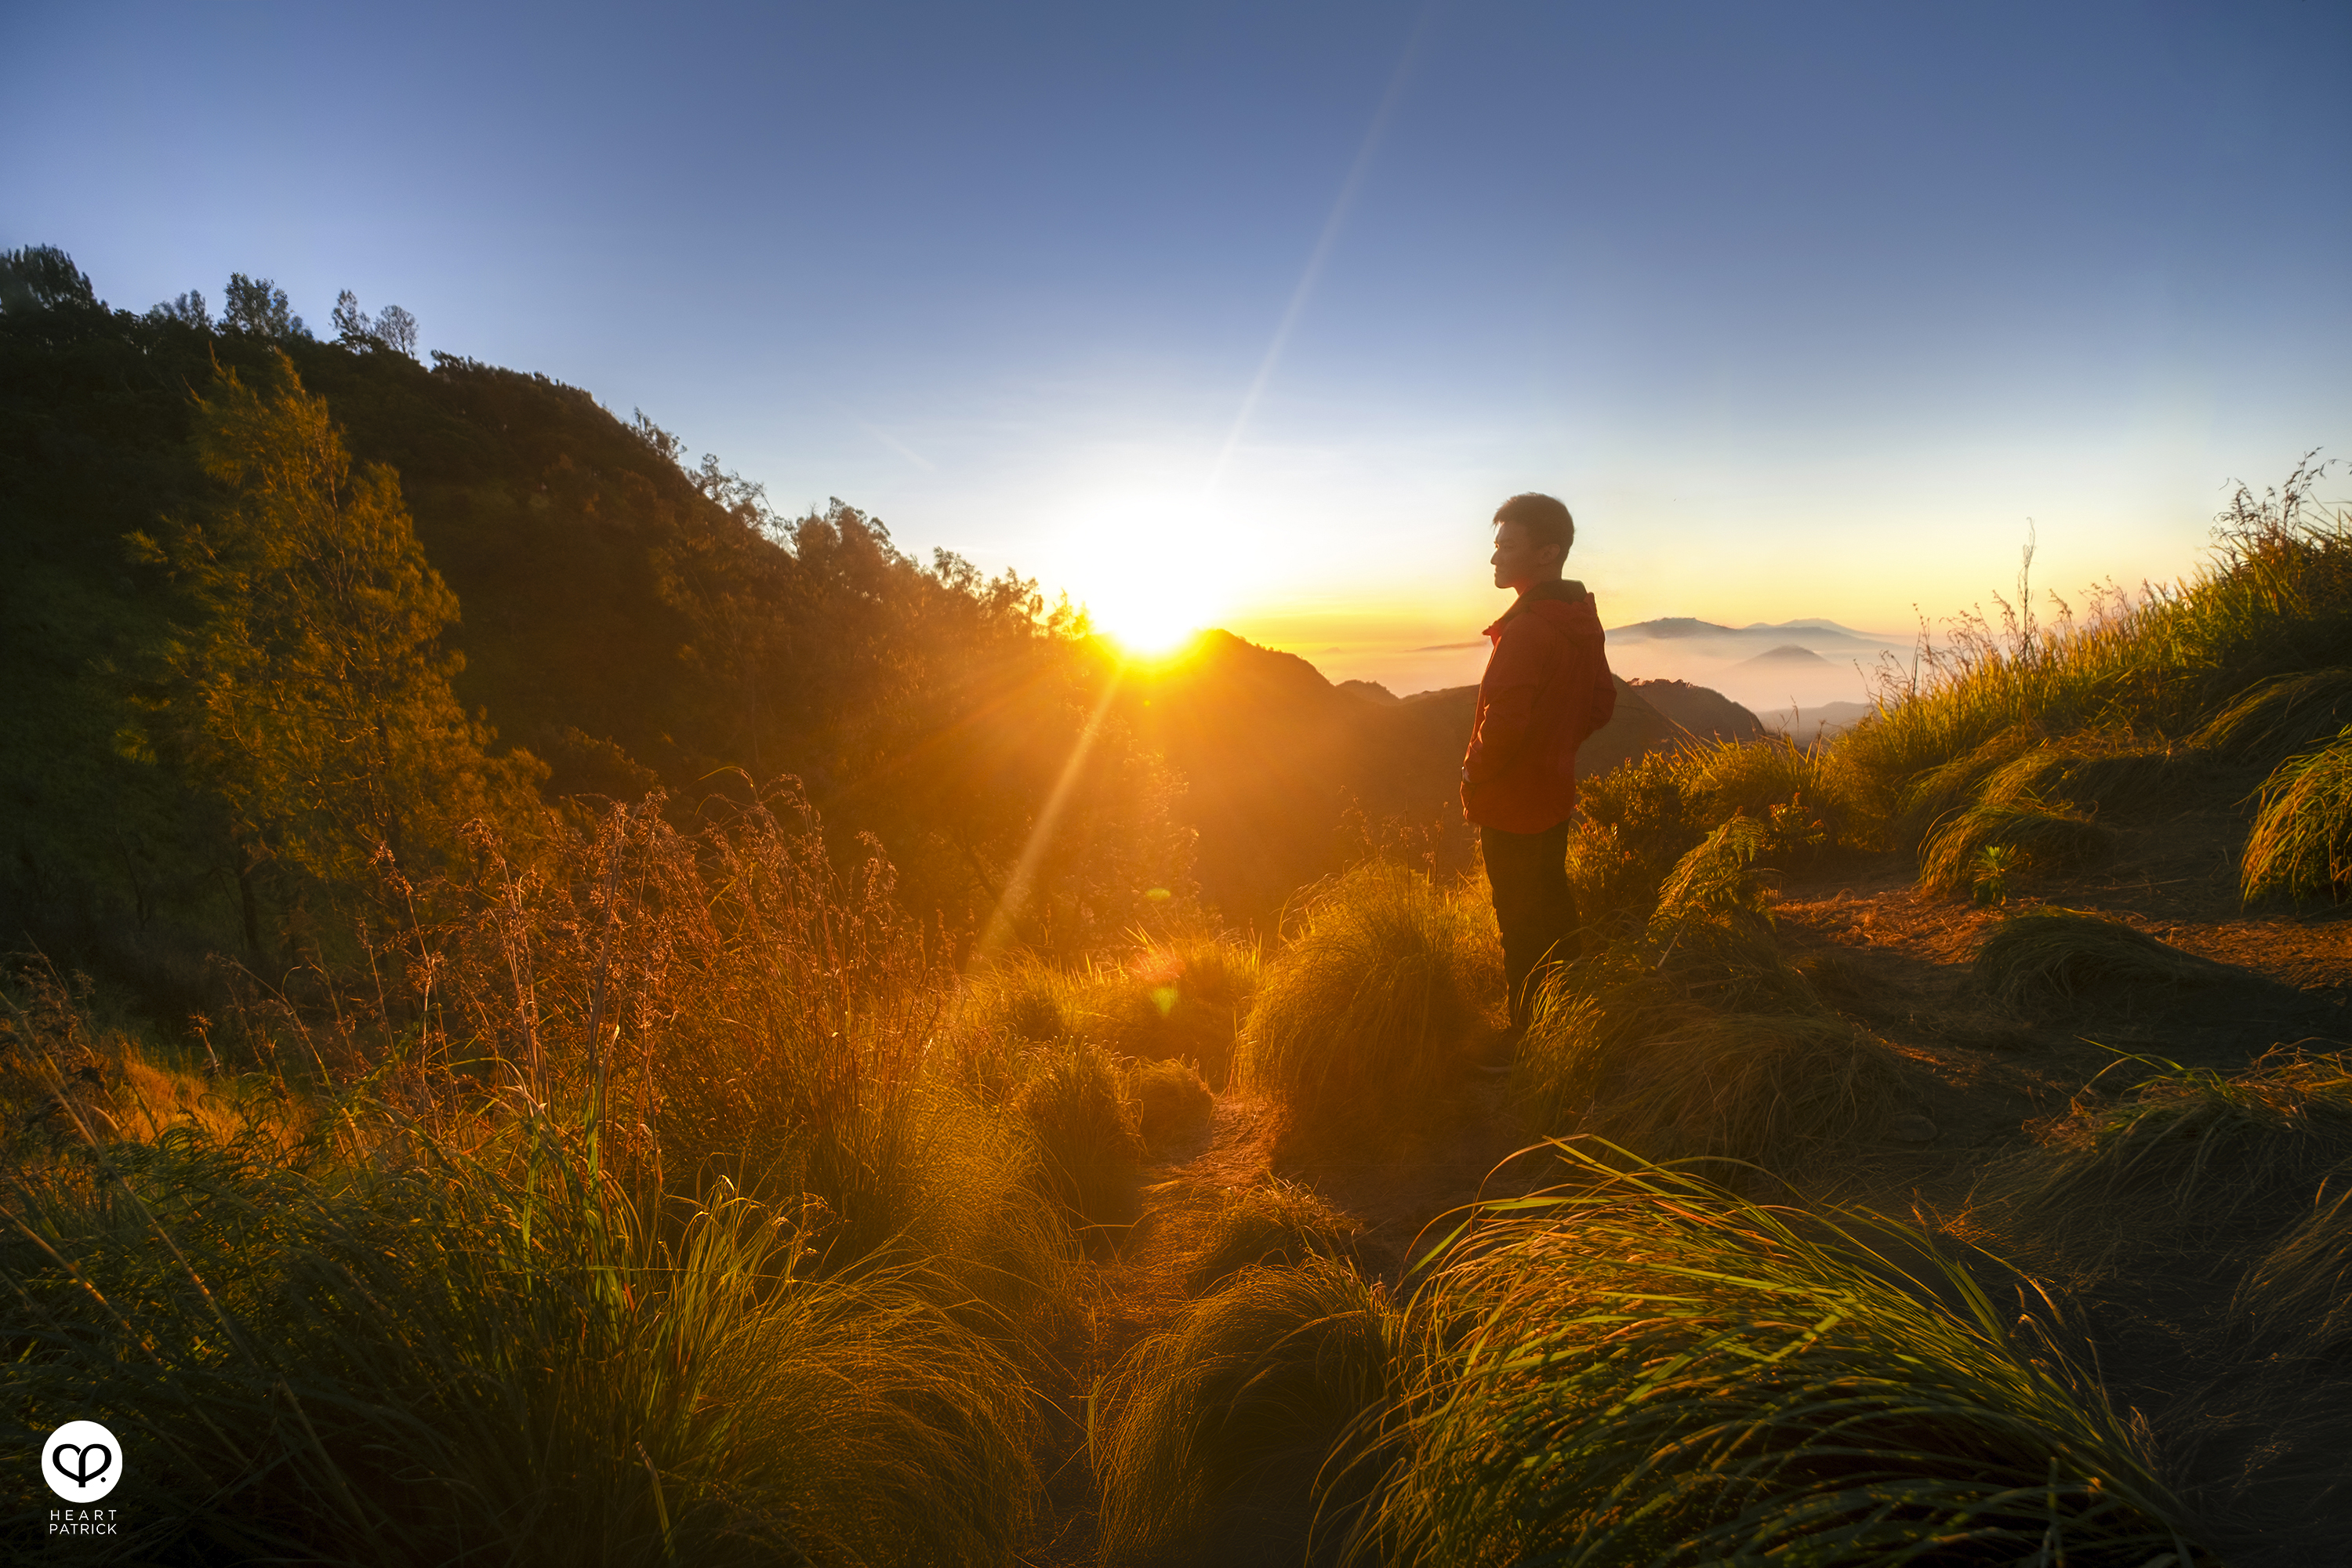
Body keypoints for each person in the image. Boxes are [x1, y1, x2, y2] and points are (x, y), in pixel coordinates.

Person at [1460, 493, 1616, 1055]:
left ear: (1547, 553)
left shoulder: (1526, 631)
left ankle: (1528, 1043)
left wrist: (1473, 776)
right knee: (1554, 907)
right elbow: (1601, 704)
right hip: (1553, 792)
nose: (1495, 557)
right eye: (1496, 545)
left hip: (1509, 801)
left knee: (1520, 925)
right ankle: (1574, 1018)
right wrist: (1556, 746)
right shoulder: (1580, 622)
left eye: (1507, 545)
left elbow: (1502, 725)